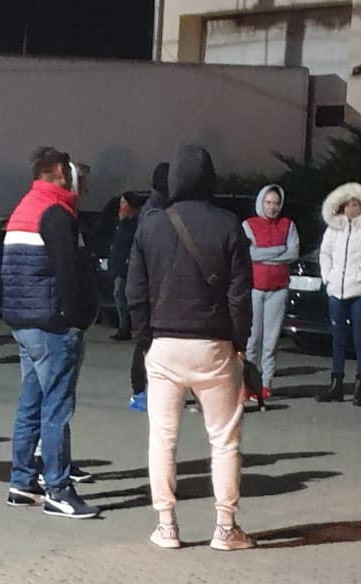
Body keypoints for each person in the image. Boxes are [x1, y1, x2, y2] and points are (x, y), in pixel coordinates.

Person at [127, 145, 254, 551]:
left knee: (162, 437)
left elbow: (135, 291)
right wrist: (239, 342)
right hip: (214, 344)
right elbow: (240, 295)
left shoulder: (151, 225)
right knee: (224, 440)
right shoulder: (229, 224)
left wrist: (144, 340)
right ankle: (225, 527)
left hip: (164, 345)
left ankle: (166, 526)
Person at [1, 147, 99, 519]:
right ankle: (58, 488)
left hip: (23, 321)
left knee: (31, 402)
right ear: (59, 170)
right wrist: (78, 318)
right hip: (52, 323)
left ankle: (21, 481)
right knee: (56, 408)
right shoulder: (56, 213)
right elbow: (68, 272)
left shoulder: (24, 208)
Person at [315, 182, 361, 407]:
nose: (351, 209)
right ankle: (336, 384)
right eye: (347, 205)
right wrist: (328, 276)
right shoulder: (334, 228)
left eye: (355, 205)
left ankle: (360, 384)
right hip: (336, 290)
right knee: (338, 337)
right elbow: (325, 253)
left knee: (359, 337)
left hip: (360, 291)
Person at [242, 184, 300, 402]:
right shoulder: (249, 225)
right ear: (261, 202)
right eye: (268, 202)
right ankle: (248, 384)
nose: (272, 207)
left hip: (278, 289)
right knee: (252, 340)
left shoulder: (288, 225)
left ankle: (266, 384)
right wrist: (278, 250)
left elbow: (293, 253)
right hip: (255, 288)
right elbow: (249, 254)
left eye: (276, 203)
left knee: (271, 341)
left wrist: (264, 255)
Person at [127, 163, 171, 413]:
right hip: (153, 288)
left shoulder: (153, 208)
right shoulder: (156, 212)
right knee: (146, 343)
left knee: (148, 342)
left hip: (151, 287)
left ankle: (144, 389)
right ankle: (140, 390)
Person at [108, 192, 145, 341]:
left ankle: (127, 327)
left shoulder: (135, 224)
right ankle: (125, 326)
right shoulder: (120, 223)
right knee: (119, 295)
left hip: (128, 266)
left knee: (123, 294)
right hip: (119, 265)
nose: (121, 206)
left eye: (123, 203)